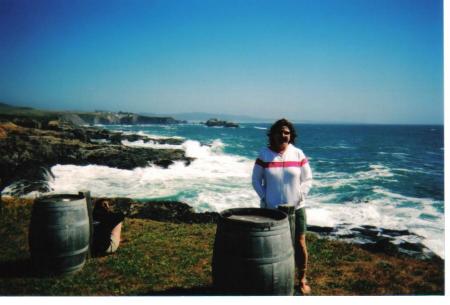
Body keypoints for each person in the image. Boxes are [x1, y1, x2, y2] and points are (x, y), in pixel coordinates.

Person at [251, 118, 313, 295]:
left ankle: (301, 279)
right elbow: (256, 180)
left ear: (290, 135)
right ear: (273, 135)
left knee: (300, 243)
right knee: (272, 246)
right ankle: (274, 280)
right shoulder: (264, 154)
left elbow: (308, 179)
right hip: (271, 210)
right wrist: (265, 197)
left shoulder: (298, 154)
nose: (283, 135)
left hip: (297, 208)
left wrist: (300, 195)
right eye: (280, 132)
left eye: (287, 132)